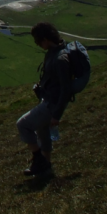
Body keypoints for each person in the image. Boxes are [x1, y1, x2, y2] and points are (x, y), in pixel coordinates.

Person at [16, 21, 73, 178]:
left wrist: (56, 114)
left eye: (38, 41)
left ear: (46, 39)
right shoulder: (57, 51)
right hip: (48, 100)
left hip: (52, 105)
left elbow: (66, 89)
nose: (37, 44)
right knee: (42, 131)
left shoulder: (60, 59)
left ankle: (39, 160)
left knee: (23, 124)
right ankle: (45, 167)